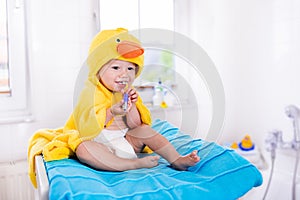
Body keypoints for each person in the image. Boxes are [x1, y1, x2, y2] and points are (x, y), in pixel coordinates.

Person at [65, 28, 200, 171]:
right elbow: (87, 128)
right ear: (97, 70)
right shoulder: (90, 92)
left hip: (125, 141)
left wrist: (133, 106)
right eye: (116, 67)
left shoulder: (128, 92)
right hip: (100, 145)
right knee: (83, 149)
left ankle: (176, 159)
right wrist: (111, 112)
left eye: (130, 69)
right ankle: (131, 164)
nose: (124, 74)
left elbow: (135, 125)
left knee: (145, 130)